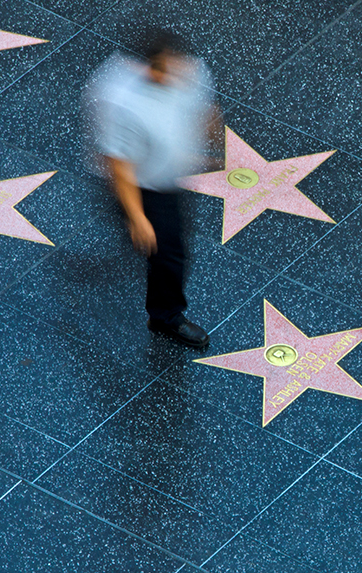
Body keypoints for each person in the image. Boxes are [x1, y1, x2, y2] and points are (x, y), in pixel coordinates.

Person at [88, 30, 219, 348]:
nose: (175, 75)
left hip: (167, 174)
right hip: (145, 185)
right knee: (169, 253)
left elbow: (206, 110)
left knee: (162, 245)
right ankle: (166, 317)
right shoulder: (124, 104)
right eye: (164, 70)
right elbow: (120, 166)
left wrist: (208, 139)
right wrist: (137, 217)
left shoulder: (193, 71)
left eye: (178, 67)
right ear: (148, 68)